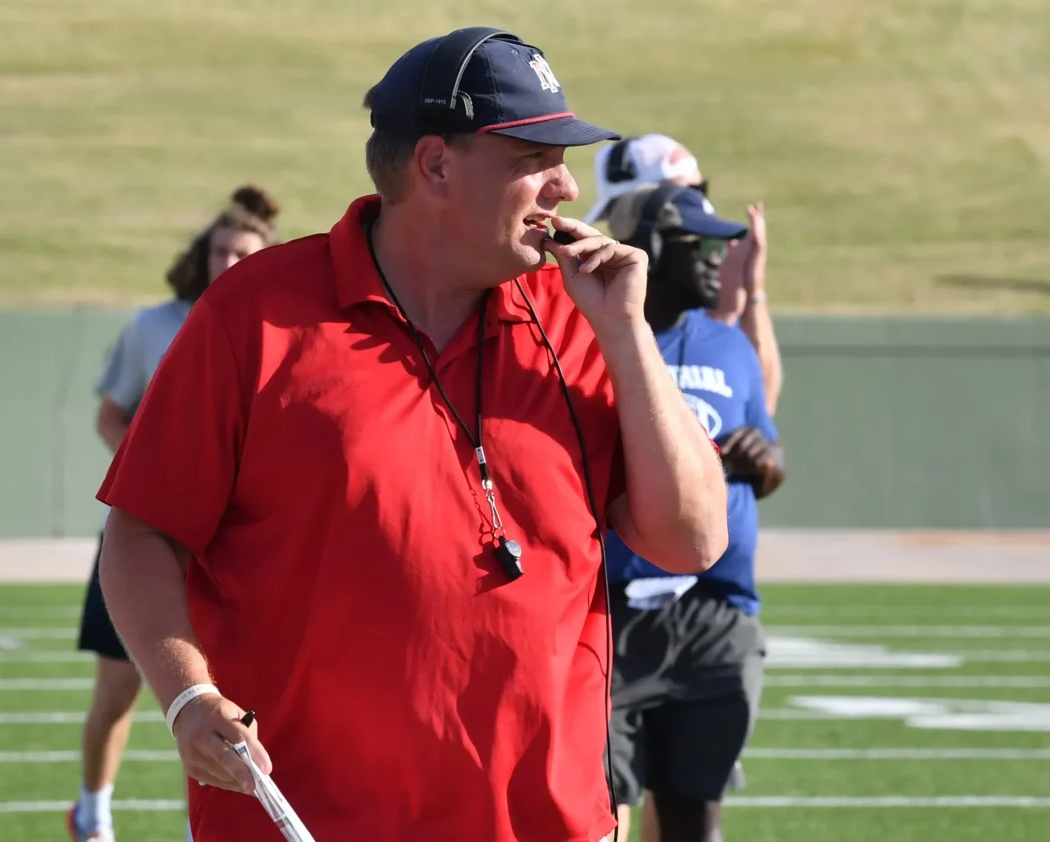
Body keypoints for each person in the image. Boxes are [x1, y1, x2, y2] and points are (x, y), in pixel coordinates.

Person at [94, 26, 729, 842]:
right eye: (533, 161)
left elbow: (692, 538)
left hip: (548, 825)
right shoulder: (255, 314)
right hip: (306, 824)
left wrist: (630, 337)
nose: (566, 188)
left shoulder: (584, 319)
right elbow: (142, 529)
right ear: (435, 165)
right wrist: (186, 696)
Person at [68, 184, 281, 842]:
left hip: (238, 549)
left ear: (267, 256)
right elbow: (111, 414)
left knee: (240, 694)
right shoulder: (154, 326)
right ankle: (93, 811)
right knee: (119, 690)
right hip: (154, 534)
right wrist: (158, 480)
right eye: (220, 250)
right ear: (202, 254)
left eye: (244, 252)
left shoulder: (282, 324)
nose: (229, 262)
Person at [600, 183, 787, 842]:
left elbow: (773, 462)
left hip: (714, 611)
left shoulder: (730, 347)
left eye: (720, 244)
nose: (716, 258)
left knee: (695, 817)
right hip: (610, 611)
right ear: (646, 249)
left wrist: (763, 459)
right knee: (596, 814)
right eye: (695, 244)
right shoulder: (589, 338)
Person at [586, 134, 783, 415]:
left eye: (698, 192)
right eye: (683, 193)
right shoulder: (592, 326)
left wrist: (753, 294)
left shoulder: (709, 313)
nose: (700, 205)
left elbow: (758, 411)